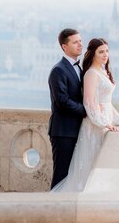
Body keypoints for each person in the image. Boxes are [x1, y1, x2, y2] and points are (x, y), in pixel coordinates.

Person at [51, 37, 119, 192]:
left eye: (107, 51)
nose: (105, 55)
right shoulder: (91, 74)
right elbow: (89, 103)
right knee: (88, 167)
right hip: (94, 126)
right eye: (101, 52)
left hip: (102, 121)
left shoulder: (102, 71)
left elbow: (106, 102)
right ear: (93, 54)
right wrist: (103, 123)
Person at [48, 28, 86, 189]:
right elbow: (62, 101)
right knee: (61, 175)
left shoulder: (79, 68)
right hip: (63, 132)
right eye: (75, 42)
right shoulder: (58, 70)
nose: (80, 44)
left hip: (76, 130)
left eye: (80, 41)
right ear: (64, 47)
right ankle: (52, 211)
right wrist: (86, 111)